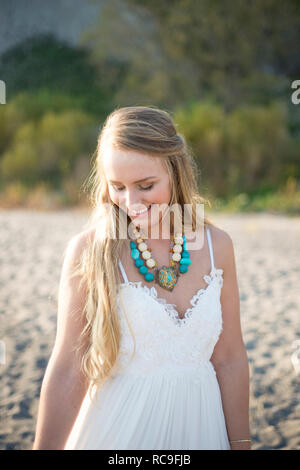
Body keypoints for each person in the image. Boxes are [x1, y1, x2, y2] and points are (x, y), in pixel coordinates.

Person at [32, 106, 251, 450]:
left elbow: (230, 357)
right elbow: (69, 367)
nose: (130, 202)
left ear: (176, 172)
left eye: (145, 185)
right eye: (116, 187)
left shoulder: (216, 245)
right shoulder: (91, 251)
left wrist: (241, 442)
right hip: (119, 432)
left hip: (202, 429)